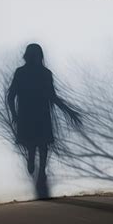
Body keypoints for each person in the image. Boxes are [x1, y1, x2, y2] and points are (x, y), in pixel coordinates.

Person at [7, 43, 81, 187]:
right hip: (35, 114)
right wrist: (14, 114)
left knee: (40, 144)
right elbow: (11, 96)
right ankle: (36, 165)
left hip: (33, 114)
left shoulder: (33, 73)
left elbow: (51, 97)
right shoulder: (38, 73)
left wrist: (69, 111)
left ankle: (41, 170)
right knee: (38, 144)